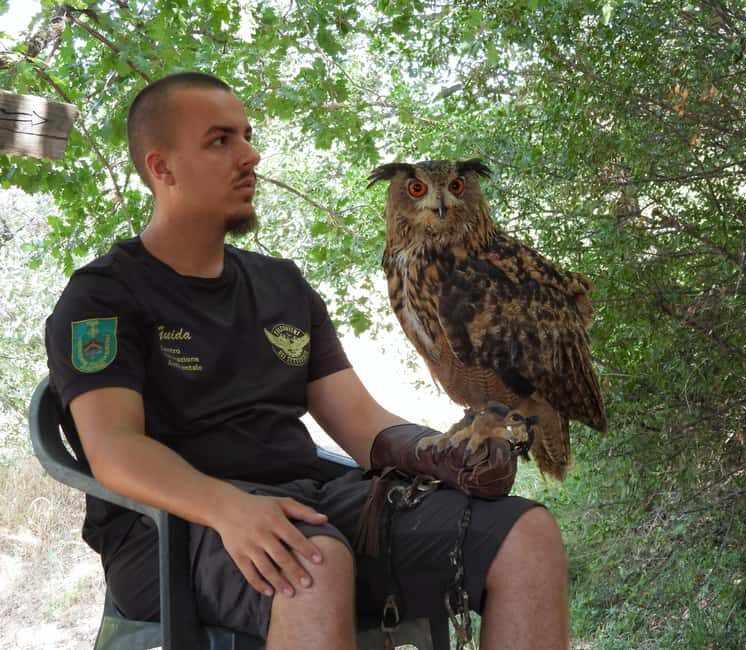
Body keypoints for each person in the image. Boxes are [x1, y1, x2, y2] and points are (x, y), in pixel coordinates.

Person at [44, 72, 569, 649]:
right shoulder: (104, 295)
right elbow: (115, 449)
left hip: (309, 503)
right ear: (161, 168)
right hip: (169, 528)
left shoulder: (282, 287)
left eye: (246, 135)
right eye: (220, 141)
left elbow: (362, 423)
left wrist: (438, 453)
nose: (250, 155)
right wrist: (229, 508)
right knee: (310, 566)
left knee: (527, 536)